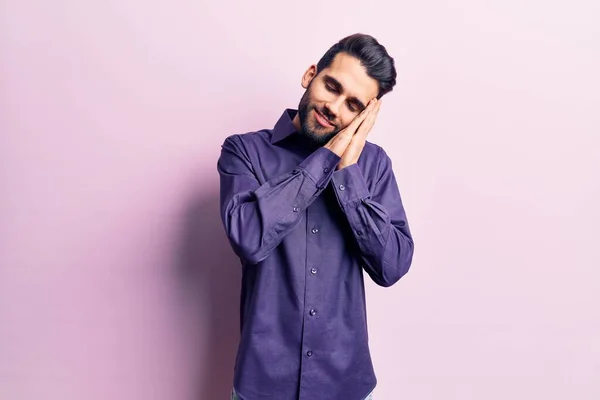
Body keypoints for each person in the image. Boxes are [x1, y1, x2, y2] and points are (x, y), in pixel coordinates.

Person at [217, 33, 414, 400]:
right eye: (332, 86)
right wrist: (327, 157)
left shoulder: (372, 166)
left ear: (365, 115)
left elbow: (393, 266)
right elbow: (248, 239)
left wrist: (348, 172)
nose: (335, 108)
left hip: (346, 386)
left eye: (353, 104)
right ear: (311, 74)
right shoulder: (243, 151)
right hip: (262, 385)